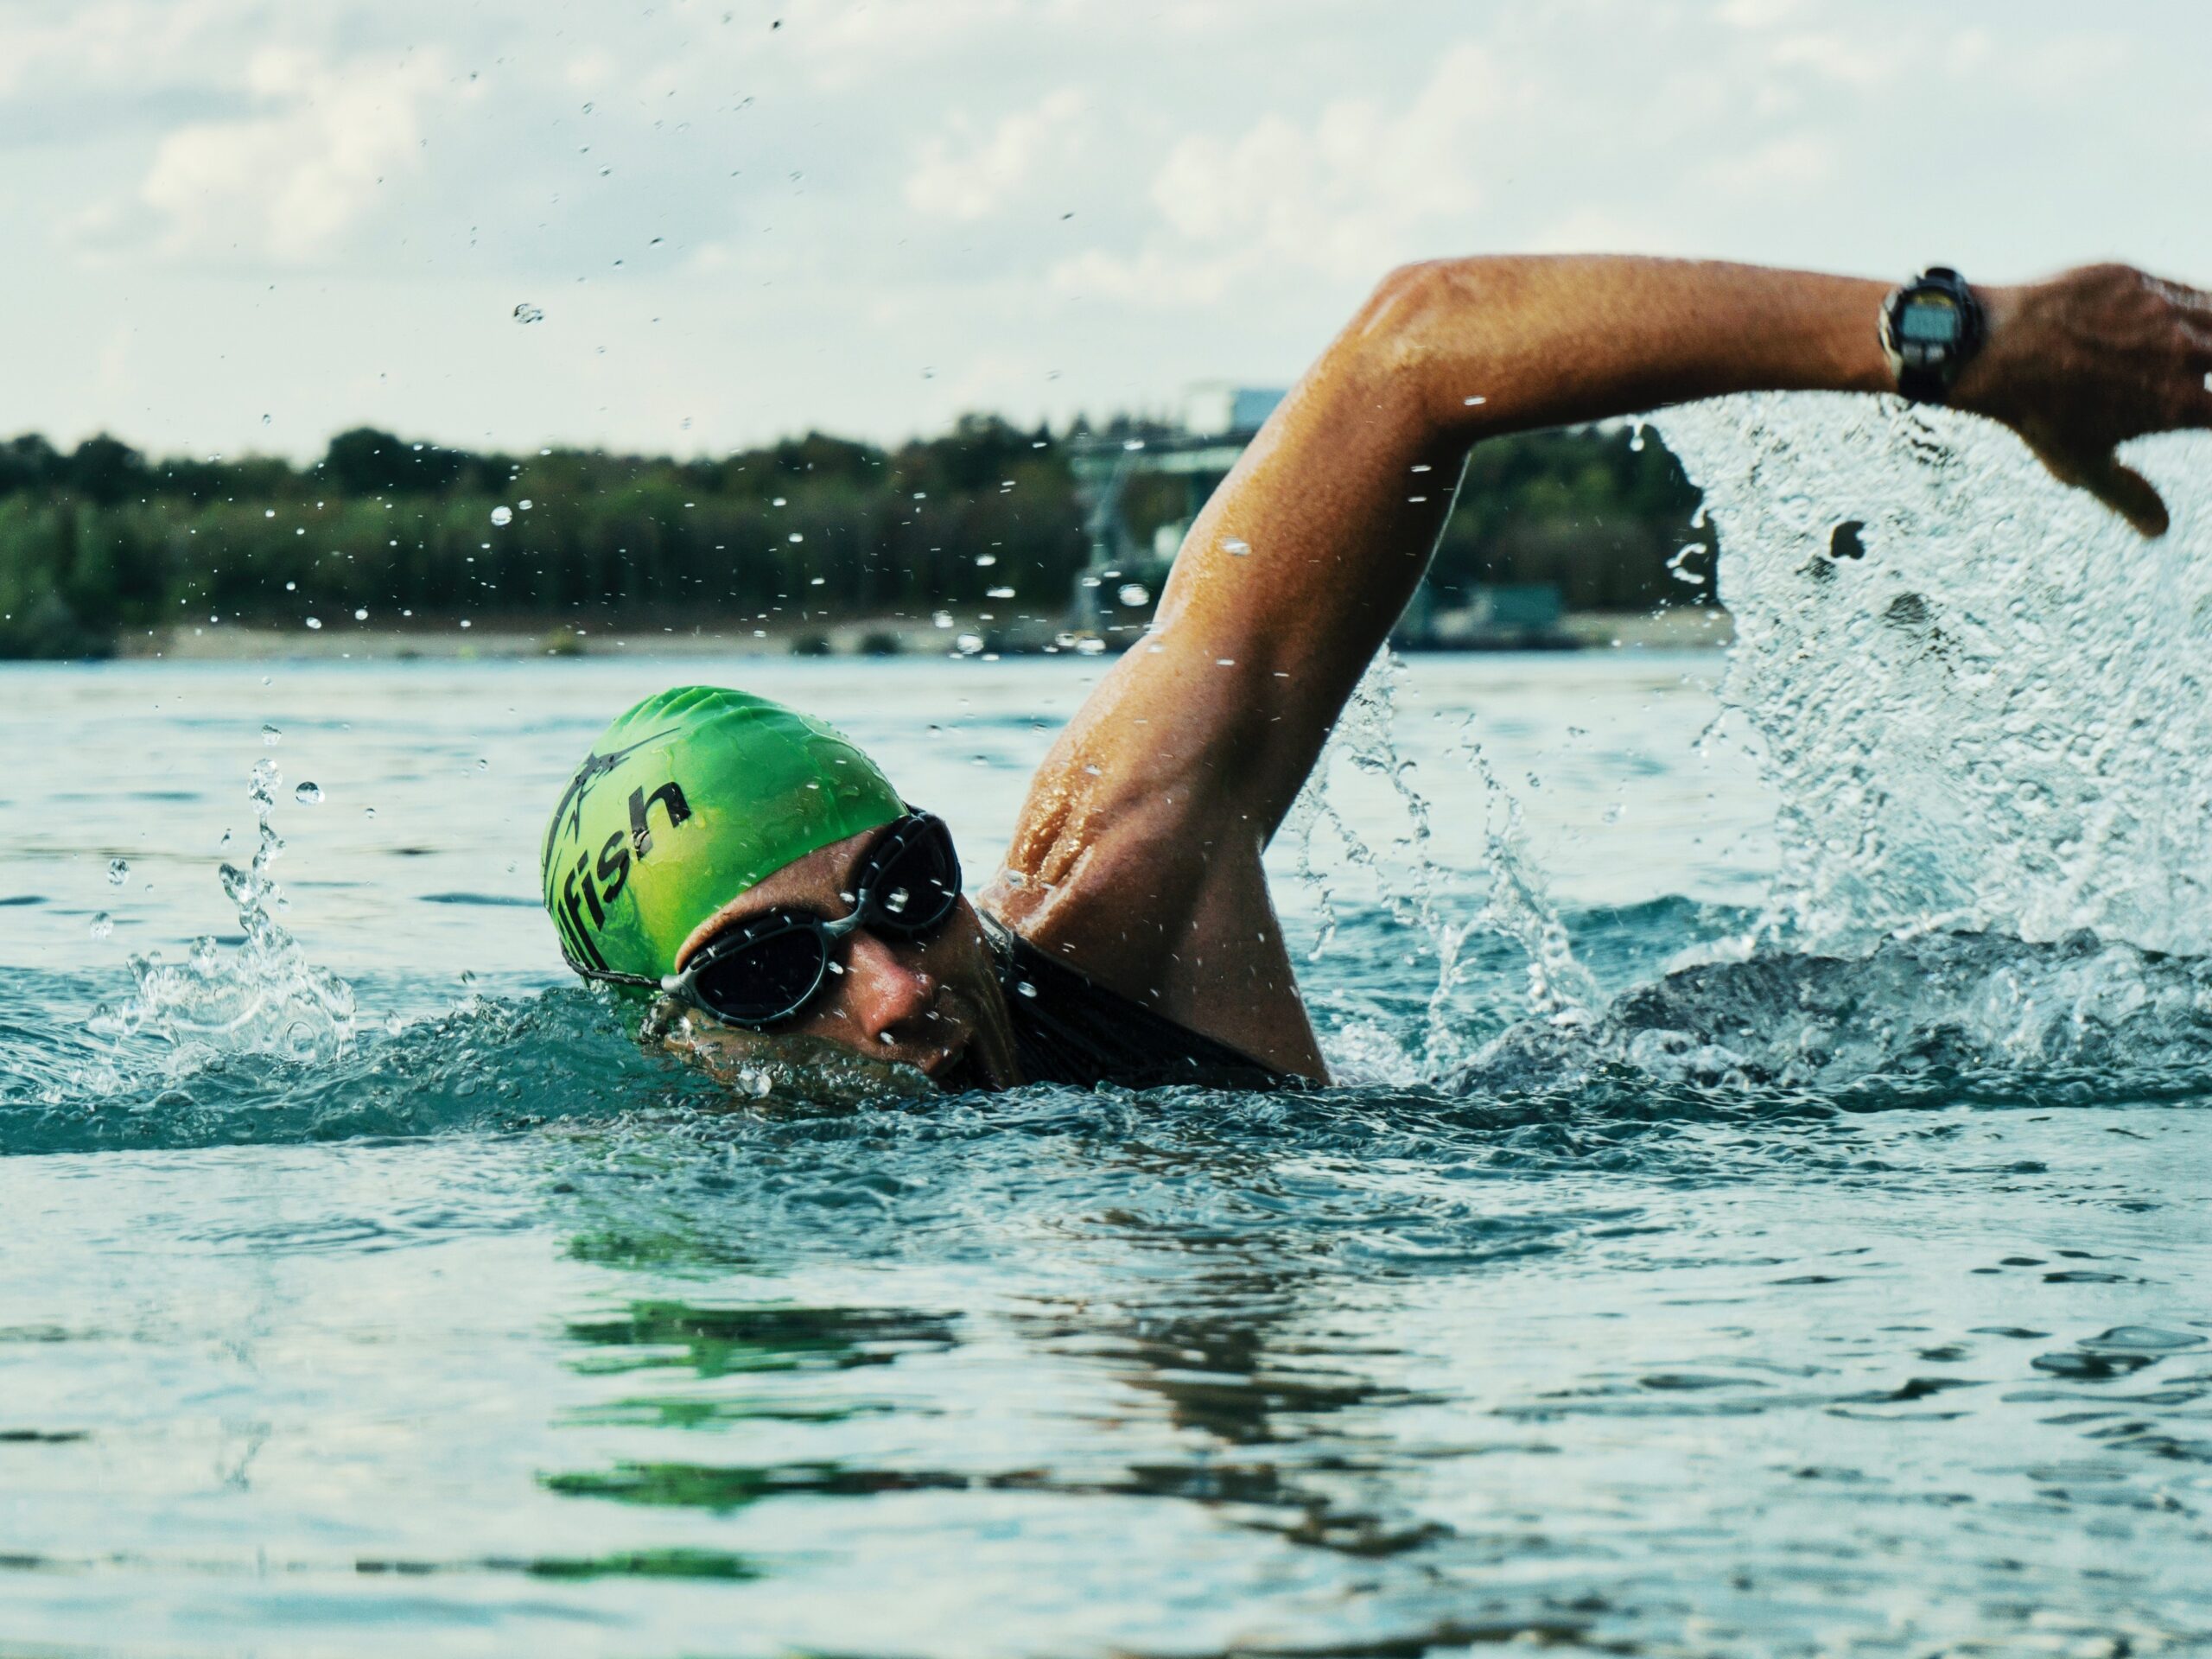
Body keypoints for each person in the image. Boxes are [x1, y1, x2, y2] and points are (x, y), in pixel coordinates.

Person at [543, 255, 2212, 1092]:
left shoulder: (1116, 888)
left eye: (903, 890)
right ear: (677, 1041)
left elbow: (1413, 349)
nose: (897, 990)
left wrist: (1957, 343)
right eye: (773, 976)